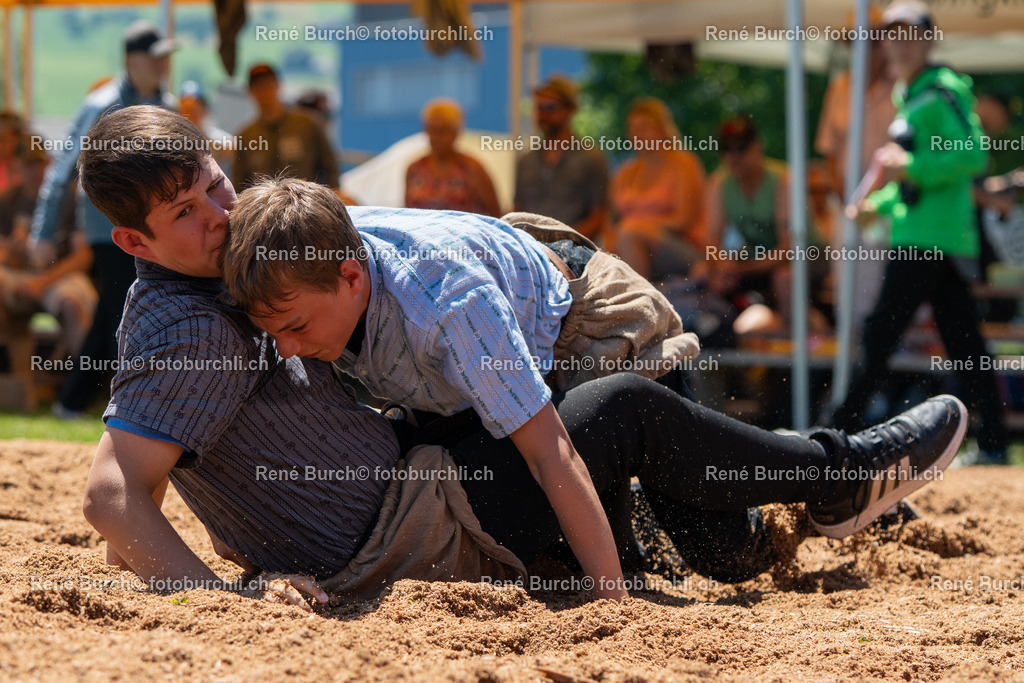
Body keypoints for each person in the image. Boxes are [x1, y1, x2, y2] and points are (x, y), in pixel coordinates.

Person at [79, 105, 967, 610]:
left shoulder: (290, 264)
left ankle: (838, 481)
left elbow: (544, 444)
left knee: (662, 485)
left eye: (216, 185)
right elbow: (119, 497)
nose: (220, 215)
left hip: (574, 318)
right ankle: (822, 491)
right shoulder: (205, 307)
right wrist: (221, 600)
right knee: (677, 519)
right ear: (133, 239)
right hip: (433, 483)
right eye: (188, 212)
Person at [832, 1, 1009, 464]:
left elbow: (972, 156)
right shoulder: (906, 95)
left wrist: (906, 164)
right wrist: (879, 204)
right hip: (927, 237)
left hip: (931, 242)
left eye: (910, 34)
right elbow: (915, 187)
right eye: (892, 34)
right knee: (964, 344)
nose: (899, 43)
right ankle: (994, 444)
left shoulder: (944, 89)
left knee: (879, 336)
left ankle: (835, 435)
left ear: (929, 40)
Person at [29, 20, 177, 419]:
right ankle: (91, 402)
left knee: (122, 310)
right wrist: (43, 233)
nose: (163, 64)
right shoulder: (101, 104)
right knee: (121, 307)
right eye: (155, 56)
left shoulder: (168, 107)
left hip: (153, 226)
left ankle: (85, 403)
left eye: (166, 57)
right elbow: (64, 170)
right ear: (131, 60)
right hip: (106, 227)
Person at [609, 97, 706, 280]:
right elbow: (611, 220)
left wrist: (639, 227)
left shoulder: (683, 163)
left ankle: (639, 303)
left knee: (628, 233)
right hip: (630, 243)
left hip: (684, 248)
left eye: (644, 126)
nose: (636, 133)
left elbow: (683, 221)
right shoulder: (626, 171)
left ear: (662, 129)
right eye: (632, 127)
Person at [514, 75, 608, 240]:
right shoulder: (526, 161)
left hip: (575, 253)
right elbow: (517, 210)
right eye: (539, 106)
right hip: (531, 249)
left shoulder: (591, 159)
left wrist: (563, 241)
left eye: (551, 107)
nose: (543, 114)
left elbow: (599, 217)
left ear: (570, 110)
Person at [232, 63, 339, 192]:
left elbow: (330, 168)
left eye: (268, 84)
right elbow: (239, 185)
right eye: (258, 86)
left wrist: (332, 200)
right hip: (265, 208)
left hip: (305, 205)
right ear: (250, 91)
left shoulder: (307, 125)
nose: (264, 91)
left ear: (278, 85)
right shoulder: (245, 137)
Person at [404, 98, 500, 216]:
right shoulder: (414, 169)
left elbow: (496, 214)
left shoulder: (472, 168)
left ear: (456, 132)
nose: (436, 137)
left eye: (442, 131)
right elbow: (407, 213)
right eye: (432, 130)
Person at [179, 80, 234, 177]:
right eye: (186, 109)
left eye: (194, 109)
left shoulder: (218, 139)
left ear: (204, 110)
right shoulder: (176, 141)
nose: (190, 115)